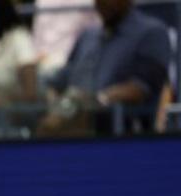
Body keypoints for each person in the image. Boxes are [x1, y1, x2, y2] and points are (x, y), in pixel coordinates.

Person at [40, 0, 170, 135]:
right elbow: (60, 79)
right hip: (69, 127)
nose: (103, 2)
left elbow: (140, 88)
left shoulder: (151, 32)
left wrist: (96, 101)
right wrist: (53, 100)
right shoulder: (88, 36)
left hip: (118, 133)